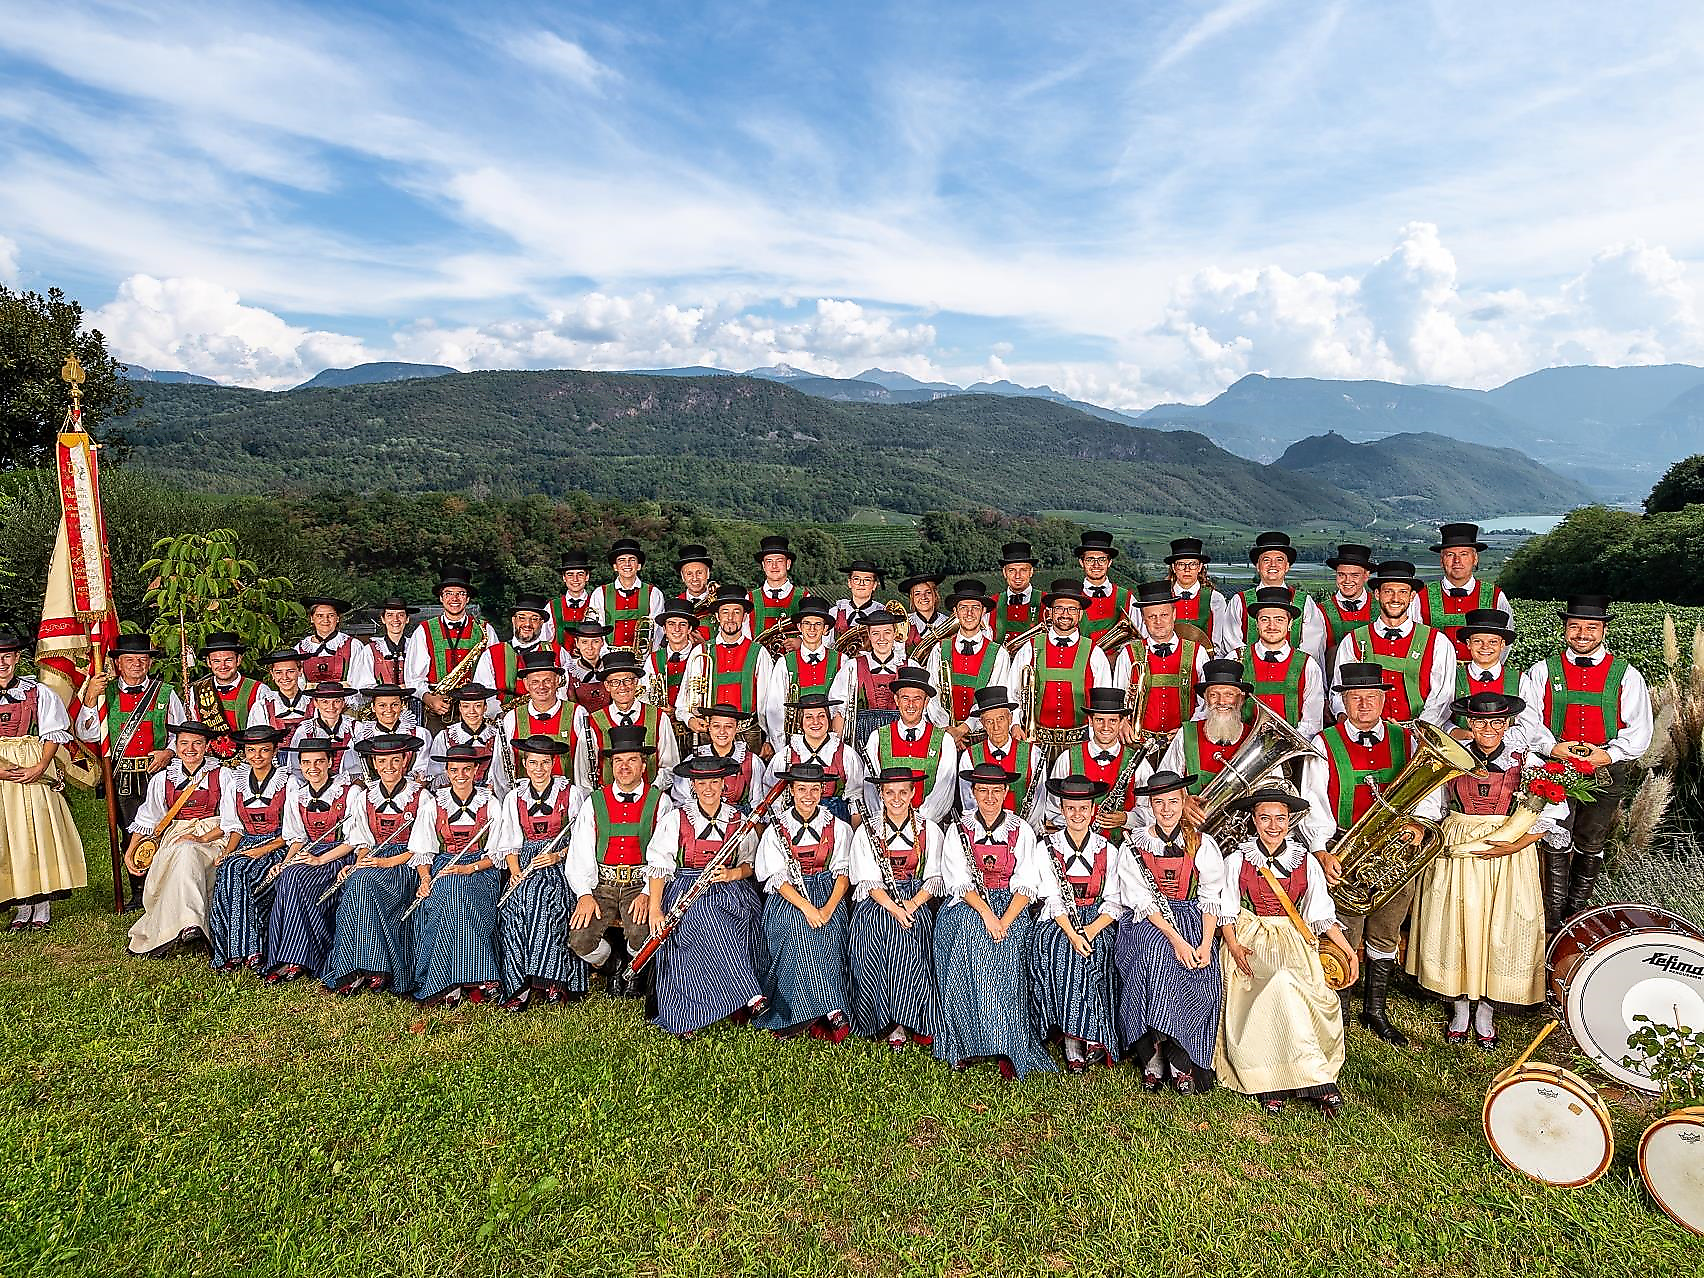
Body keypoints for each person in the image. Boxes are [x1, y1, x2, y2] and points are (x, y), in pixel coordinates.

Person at [1300, 662, 1446, 1045]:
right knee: (1343, 933)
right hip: (1345, 848)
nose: (1363, 704)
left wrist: (1419, 825)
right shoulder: (1323, 742)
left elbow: (1431, 793)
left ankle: (1376, 1011)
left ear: (1384, 698)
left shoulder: (1410, 739)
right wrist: (1320, 850)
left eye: (1371, 696)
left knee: (1386, 928)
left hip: (1396, 852)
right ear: (1343, 701)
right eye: (1355, 697)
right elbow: (1312, 799)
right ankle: (1340, 1011)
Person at [1407, 691, 1559, 1049]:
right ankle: (1460, 1006)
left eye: (1495, 722)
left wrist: (1515, 845)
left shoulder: (1528, 760)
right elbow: (1432, 805)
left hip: (1508, 846)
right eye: (1478, 722)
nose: (1487, 729)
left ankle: (1486, 1010)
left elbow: (1552, 812)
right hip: (1458, 841)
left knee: (1498, 924)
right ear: (1469, 724)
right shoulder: (1451, 759)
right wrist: (1427, 831)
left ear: (1507, 724)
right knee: (1458, 921)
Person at [1214, 785, 1356, 1117]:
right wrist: (1233, 945)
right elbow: (1226, 909)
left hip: (1293, 938)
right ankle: (1275, 1081)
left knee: (1293, 984)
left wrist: (1348, 951)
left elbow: (1319, 915)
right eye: (1265, 818)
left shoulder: (1305, 860)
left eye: (1280, 818)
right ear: (1254, 820)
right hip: (1251, 936)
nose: (1273, 826)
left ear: (1289, 821)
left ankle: (1310, 1079)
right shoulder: (1238, 859)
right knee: (1277, 983)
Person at [1518, 594, 1655, 931]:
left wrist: (1608, 754)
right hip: (1553, 767)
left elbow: (1640, 728)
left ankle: (1575, 917)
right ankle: (1551, 920)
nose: (1582, 634)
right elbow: (1529, 719)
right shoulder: (1541, 671)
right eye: (1575, 626)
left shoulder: (1627, 675)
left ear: (1603, 630)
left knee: (1590, 843)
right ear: (1564, 629)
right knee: (1552, 838)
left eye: (1590, 627)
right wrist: (1553, 747)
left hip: (1605, 768)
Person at [933, 763, 1055, 1077]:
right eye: (983, 790)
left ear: (1005, 793)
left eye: (996, 791)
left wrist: (1006, 919)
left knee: (1009, 946)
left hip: (1011, 905)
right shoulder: (959, 829)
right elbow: (959, 881)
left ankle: (1008, 1043)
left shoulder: (1021, 830)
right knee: (968, 937)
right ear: (973, 793)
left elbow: (1027, 883)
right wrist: (988, 915)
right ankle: (964, 1042)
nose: (990, 797)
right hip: (970, 903)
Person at [1113, 770, 1227, 1093]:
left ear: (1183, 803)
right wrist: (1176, 940)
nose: (1166, 809)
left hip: (1191, 917)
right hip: (1148, 922)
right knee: (1157, 954)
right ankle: (1152, 1053)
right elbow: (1142, 902)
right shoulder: (1135, 844)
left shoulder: (1202, 844)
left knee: (1203, 972)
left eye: (1173, 802)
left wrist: (1205, 944)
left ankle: (1180, 1055)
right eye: (1159, 802)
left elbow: (1209, 897)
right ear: (1150, 804)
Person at [642, 754, 767, 1036]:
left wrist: (732, 874)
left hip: (730, 889)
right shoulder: (675, 819)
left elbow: (750, 864)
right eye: (701, 783)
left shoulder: (739, 820)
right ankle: (744, 994)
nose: (708, 789)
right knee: (700, 920)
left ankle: (735, 995)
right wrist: (655, 909)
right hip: (686, 888)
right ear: (692, 786)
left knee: (730, 918)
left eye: (714, 782)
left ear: (724, 783)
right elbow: (659, 866)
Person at [320, 732, 438, 996]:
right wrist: (359, 863)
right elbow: (363, 842)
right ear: (374, 764)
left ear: (405, 761)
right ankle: (357, 967)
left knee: (364, 884)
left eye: (395, 761)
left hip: (404, 865)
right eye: (382, 762)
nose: (389, 768)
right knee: (356, 882)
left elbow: (421, 849)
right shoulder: (365, 797)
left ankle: (375, 966)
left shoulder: (422, 798)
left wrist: (384, 863)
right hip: (374, 862)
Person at [72, 631, 182, 912]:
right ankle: (138, 891)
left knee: (163, 829)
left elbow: (180, 734)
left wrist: (169, 752)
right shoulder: (103, 694)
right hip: (122, 777)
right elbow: (86, 733)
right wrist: (89, 700)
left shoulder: (165, 693)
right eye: (129, 659)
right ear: (118, 664)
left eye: (142, 659)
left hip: (159, 775)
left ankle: (165, 888)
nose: (136, 664)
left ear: (149, 662)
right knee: (130, 832)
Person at [566, 725, 671, 995]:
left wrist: (649, 893)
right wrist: (584, 894)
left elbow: (665, 855)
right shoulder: (594, 802)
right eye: (618, 761)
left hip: (641, 884)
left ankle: (634, 969)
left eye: (632, 760)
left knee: (642, 932)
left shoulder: (661, 802)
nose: (625, 767)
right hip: (602, 884)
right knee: (580, 939)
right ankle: (615, 966)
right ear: (612, 765)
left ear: (643, 764)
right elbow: (581, 851)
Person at [753, 762, 855, 1039]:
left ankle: (825, 1006)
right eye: (801, 789)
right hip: (789, 897)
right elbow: (777, 879)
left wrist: (828, 909)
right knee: (796, 929)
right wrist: (808, 909)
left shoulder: (839, 828)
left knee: (830, 932)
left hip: (827, 893)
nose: (808, 795)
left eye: (814, 789)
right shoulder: (777, 829)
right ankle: (824, 1008)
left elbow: (843, 875)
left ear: (823, 790)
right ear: (791, 791)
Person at [1030, 774, 1123, 1072]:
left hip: (1096, 919)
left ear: (1093, 810)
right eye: (1071, 808)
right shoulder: (1046, 847)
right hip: (1059, 922)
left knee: (1101, 949)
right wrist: (1073, 933)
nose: (1077, 815)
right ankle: (1075, 1037)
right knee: (1064, 952)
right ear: (1062, 809)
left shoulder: (1108, 850)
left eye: (1083, 808)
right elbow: (1052, 900)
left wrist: (1092, 930)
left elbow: (1114, 900)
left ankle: (1089, 1033)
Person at [846, 765, 944, 1049]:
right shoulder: (868, 831)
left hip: (916, 900)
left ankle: (909, 1018)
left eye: (903, 792)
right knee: (878, 934)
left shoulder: (930, 830)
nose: (897, 798)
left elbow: (934, 877)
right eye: (890, 792)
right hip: (880, 901)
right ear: (881, 794)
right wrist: (895, 908)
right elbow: (868, 880)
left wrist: (911, 905)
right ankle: (884, 1018)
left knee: (912, 938)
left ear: (914, 793)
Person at [0, 628, 86, 931]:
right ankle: (21, 904)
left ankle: (42, 902)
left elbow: (53, 732)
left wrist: (40, 766)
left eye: (7, 657)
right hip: (1, 770)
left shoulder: (36, 691)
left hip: (32, 762)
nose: (2, 663)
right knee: (8, 836)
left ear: (17, 658)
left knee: (36, 831)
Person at [409, 742, 507, 1006]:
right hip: (443, 867)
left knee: (459, 892)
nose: (460, 775)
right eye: (454, 770)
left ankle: (452, 980)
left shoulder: (491, 804)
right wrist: (426, 879)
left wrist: (468, 868)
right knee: (451, 891)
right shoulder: (434, 804)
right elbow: (423, 850)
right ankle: (474, 977)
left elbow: (496, 854)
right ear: (447, 771)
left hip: (481, 869)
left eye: (466, 769)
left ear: (476, 770)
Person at [494, 736, 586, 1011]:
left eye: (544, 763)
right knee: (512, 909)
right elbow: (509, 841)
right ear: (524, 764)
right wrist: (515, 871)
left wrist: (557, 855)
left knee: (549, 903)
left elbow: (581, 840)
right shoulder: (514, 797)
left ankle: (553, 979)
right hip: (525, 864)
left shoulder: (572, 794)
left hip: (560, 862)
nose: (538, 769)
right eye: (533, 763)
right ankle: (517, 983)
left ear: (553, 763)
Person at [124, 721, 226, 958]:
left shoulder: (223, 775)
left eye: (197, 744)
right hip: (177, 833)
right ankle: (188, 924)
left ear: (207, 746)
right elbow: (149, 819)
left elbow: (232, 820)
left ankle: (190, 923)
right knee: (183, 851)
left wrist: (200, 838)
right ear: (177, 746)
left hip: (214, 835)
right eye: (184, 743)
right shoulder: (163, 779)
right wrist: (131, 852)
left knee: (188, 851)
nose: (190, 749)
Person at [260, 736, 354, 982]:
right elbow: (297, 838)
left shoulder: (349, 792)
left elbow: (354, 840)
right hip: (310, 854)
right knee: (287, 876)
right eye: (306, 763)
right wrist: (286, 862)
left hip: (339, 856)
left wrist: (320, 861)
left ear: (331, 762)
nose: (312, 768)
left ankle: (296, 958)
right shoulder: (298, 796)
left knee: (295, 879)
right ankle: (288, 956)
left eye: (319, 762)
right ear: (300, 765)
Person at [1330, 560, 1457, 726]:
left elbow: (1442, 698)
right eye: (1388, 591)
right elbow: (1339, 692)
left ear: (1412, 596)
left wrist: (1417, 730)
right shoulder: (1353, 640)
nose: (1395, 598)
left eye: (1402, 592)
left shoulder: (1438, 642)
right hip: (1366, 732)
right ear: (1377, 594)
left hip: (1419, 734)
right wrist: (1354, 724)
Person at [208, 724, 292, 972]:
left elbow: (291, 833)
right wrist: (228, 852)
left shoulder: (288, 782)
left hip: (277, 846)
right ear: (244, 752)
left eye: (264, 750)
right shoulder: (236, 782)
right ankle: (245, 949)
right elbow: (235, 826)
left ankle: (238, 950)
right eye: (251, 750)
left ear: (275, 751)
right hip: (246, 844)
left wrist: (256, 852)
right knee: (229, 868)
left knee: (236, 871)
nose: (257, 756)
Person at [1008, 580, 1113, 764]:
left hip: (1080, 743)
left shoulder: (1094, 653)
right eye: (1059, 609)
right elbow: (1012, 692)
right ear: (1050, 612)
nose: (1065, 614)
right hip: (1035, 741)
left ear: (1080, 614)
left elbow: (1103, 704)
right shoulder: (1030, 648)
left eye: (1072, 609)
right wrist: (1015, 724)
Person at [675, 584, 775, 756]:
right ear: (716, 616)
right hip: (709, 734)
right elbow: (683, 701)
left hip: (748, 734)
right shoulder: (700, 652)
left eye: (736, 612)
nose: (730, 618)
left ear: (744, 617)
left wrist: (769, 740)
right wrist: (689, 719)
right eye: (725, 612)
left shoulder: (759, 652)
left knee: (748, 779)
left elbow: (770, 704)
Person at [404, 566, 499, 732]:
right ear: (441, 597)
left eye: (461, 593)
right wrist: (428, 699)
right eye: (448, 593)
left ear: (468, 598)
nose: (454, 598)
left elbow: (495, 673)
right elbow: (413, 678)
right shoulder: (424, 630)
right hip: (438, 708)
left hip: (474, 710)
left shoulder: (485, 629)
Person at [1045, 688, 1149, 838]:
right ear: (1090, 721)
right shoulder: (1067, 758)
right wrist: (1078, 827)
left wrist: (1127, 818)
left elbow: (1152, 810)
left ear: (1121, 723)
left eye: (1112, 720)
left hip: (1124, 850)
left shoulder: (1139, 762)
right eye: (1100, 720)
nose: (1106, 727)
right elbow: (1053, 809)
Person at [1115, 580, 1211, 739]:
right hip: (1138, 742)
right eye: (1151, 616)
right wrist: (1122, 722)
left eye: (1164, 615)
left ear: (1174, 614)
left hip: (1183, 741)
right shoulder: (1127, 653)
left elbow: (1207, 703)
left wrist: (1188, 729)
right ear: (1143, 619)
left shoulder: (1198, 653)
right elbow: (1118, 696)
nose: (1158, 622)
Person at [861, 666, 958, 823]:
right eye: (905, 698)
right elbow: (870, 787)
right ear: (896, 701)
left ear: (926, 702)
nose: (910, 704)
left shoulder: (944, 741)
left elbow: (944, 788)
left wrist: (919, 823)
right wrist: (886, 820)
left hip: (928, 827)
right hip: (886, 826)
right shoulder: (877, 738)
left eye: (917, 699)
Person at [1156, 660, 1257, 804]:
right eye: (1214, 695)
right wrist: (1183, 802)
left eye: (1229, 695)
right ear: (1205, 698)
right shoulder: (1186, 734)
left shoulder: (1254, 738)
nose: (1222, 702)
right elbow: (1163, 782)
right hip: (1192, 822)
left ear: (1241, 699)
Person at [576, 651, 680, 789]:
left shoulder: (659, 717)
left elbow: (670, 766)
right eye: (615, 682)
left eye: (628, 680)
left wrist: (650, 794)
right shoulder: (593, 722)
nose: (622, 687)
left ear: (636, 682)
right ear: (606, 686)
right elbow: (583, 776)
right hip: (608, 804)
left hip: (651, 801)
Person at [1225, 531, 1328, 669]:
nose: (1273, 565)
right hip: (1248, 673)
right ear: (1257, 566)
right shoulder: (1239, 601)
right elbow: (1232, 643)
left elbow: (1313, 644)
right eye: (1266, 560)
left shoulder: (1305, 602)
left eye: (1279, 560)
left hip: (1294, 673)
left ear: (1287, 566)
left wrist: (1289, 667)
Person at [928, 579, 1010, 746]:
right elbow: (931, 694)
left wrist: (963, 728)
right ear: (955, 612)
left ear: (984, 611)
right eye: (963, 607)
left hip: (984, 737)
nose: (969, 613)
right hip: (944, 735)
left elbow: (995, 700)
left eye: (975, 607)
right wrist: (947, 729)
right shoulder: (938, 649)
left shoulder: (999, 654)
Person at [1416, 524, 1512, 660]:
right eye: (1450, 555)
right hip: (1434, 678)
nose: (1457, 561)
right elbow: (1414, 641)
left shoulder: (1495, 596)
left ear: (1475, 559)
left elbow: (1506, 641)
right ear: (1442, 561)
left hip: (1479, 679)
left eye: (1464, 554)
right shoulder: (1421, 596)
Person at [1245, 587, 1327, 738]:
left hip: (1292, 751)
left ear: (1290, 624)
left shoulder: (1308, 665)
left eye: (1279, 619)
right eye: (1264, 619)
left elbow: (1312, 721)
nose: (1271, 626)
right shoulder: (1236, 658)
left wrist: (1286, 745)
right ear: (1256, 623)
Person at [771, 692, 864, 824]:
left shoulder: (846, 754)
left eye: (821, 716)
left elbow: (856, 801)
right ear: (800, 721)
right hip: (796, 823)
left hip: (837, 825)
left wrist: (853, 837)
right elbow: (776, 803)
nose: (816, 722)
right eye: (809, 717)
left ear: (828, 719)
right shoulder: (785, 756)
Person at [956, 685, 1041, 822]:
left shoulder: (1034, 754)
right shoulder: (969, 756)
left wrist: (1023, 832)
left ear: (1010, 718)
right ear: (982, 724)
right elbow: (968, 802)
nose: (996, 727)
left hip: (1023, 832)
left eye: (1001, 719)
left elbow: (1038, 804)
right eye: (989, 721)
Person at [763, 596, 841, 745]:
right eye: (807, 624)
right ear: (799, 627)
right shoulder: (784, 663)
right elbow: (775, 709)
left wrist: (836, 745)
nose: (812, 629)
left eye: (818, 624)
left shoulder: (841, 661)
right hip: (795, 743)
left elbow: (841, 711)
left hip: (830, 742)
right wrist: (781, 747)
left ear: (825, 629)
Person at [827, 606, 905, 746]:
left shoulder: (909, 666)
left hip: (900, 736)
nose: (882, 638)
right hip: (862, 736)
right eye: (875, 633)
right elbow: (839, 711)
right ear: (868, 635)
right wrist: (838, 749)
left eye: (887, 632)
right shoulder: (853, 666)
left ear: (895, 633)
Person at [673, 704, 773, 813]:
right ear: (709, 728)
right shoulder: (694, 760)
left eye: (728, 726)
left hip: (737, 823)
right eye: (716, 726)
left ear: (736, 728)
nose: (722, 732)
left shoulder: (751, 762)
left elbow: (758, 802)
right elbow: (682, 800)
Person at [500, 651, 576, 779]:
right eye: (535, 682)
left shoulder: (577, 713)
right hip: (523, 796)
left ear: (557, 681)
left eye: (547, 680)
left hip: (567, 796)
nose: (541, 687)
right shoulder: (512, 718)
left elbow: (584, 765)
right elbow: (500, 765)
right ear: (525, 684)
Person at [424, 683, 510, 795]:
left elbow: (501, 773)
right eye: (466, 706)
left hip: (489, 795)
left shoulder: (497, 735)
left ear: (485, 708)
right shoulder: (445, 736)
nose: (472, 711)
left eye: (477, 706)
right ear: (460, 708)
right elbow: (436, 773)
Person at [197, 631, 278, 737]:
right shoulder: (196, 691)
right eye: (216, 661)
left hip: (248, 752)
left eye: (228, 660)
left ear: (238, 660)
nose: (223, 666)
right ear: (208, 662)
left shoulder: (259, 690)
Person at [648, 603, 706, 749]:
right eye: (671, 624)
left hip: (695, 731)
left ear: (690, 629)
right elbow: (643, 693)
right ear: (664, 629)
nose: (677, 629)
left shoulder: (701, 657)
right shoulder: (653, 659)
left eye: (682, 624)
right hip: (663, 729)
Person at [1451, 609, 1521, 729]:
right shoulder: (1452, 677)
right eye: (1478, 641)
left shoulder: (1520, 680)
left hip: (1509, 746)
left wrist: (1492, 737)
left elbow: (1529, 724)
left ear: (1502, 644)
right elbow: (1440, 716)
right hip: (1460, 744)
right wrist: (1454, 731)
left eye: (1493, 642)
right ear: (1468, 643)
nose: (1485, 647)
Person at [590, 538, 664, 652]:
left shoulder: (654, 593)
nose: (627, 564)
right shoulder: (600, 593)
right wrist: (606, 655)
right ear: (615, 566)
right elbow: (596, 628)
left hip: (643, 657)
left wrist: (646, 657)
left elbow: (657, 631)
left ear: (639, 565)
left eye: (632, 560)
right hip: (609, 656)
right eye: (621, 560)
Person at [1162, 538, 1232, 656]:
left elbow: (1218, 643)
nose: (1187, 569)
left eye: (1193, 564)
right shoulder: (1163, 597)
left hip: (1206, 662)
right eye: (1181, 564)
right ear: (1174, 568)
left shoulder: (1215, 599)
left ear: (1200, 567)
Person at [480, 594, 554, 701]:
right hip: (499, 715)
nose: (527, 624)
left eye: (534, 619)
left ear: (541, 623)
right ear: (514, 620)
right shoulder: (491, 654)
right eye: (522, 618)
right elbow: (484, 692)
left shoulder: (558, 652)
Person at [295, 596, 375, 691]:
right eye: (320, 616)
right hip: (311, 704)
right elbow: (298, 682)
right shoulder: (300, 649)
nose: (326, 620)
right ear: (312, 618)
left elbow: (359, 679)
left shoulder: (353, 645)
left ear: (337, 619)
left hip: (342, 703)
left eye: (331, 615)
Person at [285, 680, 362, 778]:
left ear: (343, 703)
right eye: (325, 702)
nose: (331, 707)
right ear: (315, 703)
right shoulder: (305, 730)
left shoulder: (355, 728)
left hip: (348, 785)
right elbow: (295, 767)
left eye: (337, 701)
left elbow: (361, 767)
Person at [1073, 530, 1136, 646]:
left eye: (1102, 560)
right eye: (1090, 560)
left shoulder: (1127, 598)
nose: (1096, 565)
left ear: (1109, 562)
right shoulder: (1073, 599)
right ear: (1081, 562)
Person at [1320, 544, 1376, 667]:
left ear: (1366, 576)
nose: (1347, 581)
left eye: (1354, 575)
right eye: (1341, 575)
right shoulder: (1321, 611)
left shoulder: (1381, 607)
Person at [749, 534, 803, 647]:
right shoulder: (748, 599)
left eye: (779, 561)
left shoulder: (805, 598)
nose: (774, 566)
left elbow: (818, 634)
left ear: (788, 564)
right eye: (769, 561)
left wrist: (802, 642)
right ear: (763, 565)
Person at [992, 542, 1042, 647]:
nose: (1017, 576)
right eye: (1011, 570)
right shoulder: (991, 604)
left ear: (1031, 572)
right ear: (1004, 573)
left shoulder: (1046, 602)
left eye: (1023, 570)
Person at [259, 648, 315, 742]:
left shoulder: (314, 704)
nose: (284, 677)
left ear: (300, 671)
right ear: (272, 674)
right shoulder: (263, 706)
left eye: (290, 671)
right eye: (278, 672)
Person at [561, 620, 615, 713]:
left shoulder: (612, 668)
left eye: (595, 641)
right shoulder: (568, 672)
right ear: (577, 643)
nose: (590, 647)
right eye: (584, 642)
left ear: (602, 642)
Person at [363, 597, 417, 691]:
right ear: (383, 619)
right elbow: (364, 683)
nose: (395, 619)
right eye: (390, 615)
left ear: (407, 619)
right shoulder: (370, 650)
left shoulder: (416, 647)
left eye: (400, 615)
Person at [671, 544, 719, 642]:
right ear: (683, 577)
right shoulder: (675, 604)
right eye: (689, 574)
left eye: (699, 572)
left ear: (708, 573)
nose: (695, 578)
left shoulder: (720, 602)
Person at [545, 550, 594, 645]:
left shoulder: (595, 603)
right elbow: (544, 640)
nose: (575, 579)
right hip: (558, 659)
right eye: (570, 574)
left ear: (587, 577)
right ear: (564, 577)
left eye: (580, 574)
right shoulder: (551, 607)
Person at [829, 559, 885, 635]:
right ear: (849, 583)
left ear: (874, 585)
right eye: (856, 579)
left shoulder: (882, 613)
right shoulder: (834, 613)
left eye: (867, 580)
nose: (861, 584)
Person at [898, 573, 946, 650]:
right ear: (912, 598)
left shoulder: (947, 622)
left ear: (936, 596)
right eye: (917, 594)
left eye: (928, 592)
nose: (923, 597)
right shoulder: (904, 623)